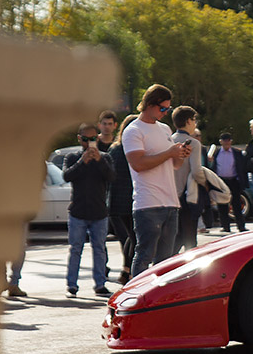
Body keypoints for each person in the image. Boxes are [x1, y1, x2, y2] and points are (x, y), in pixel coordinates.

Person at [124, 84, 189, 278]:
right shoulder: (133, 130)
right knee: (144, 256)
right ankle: (136, 299)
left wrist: (180, 154)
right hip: (148, 204)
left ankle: (159, 304)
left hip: (170, 201)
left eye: (167, 109)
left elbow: (175, 165)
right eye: (162, 109)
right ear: (149, 104)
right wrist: (169, 152)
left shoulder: (165, 129)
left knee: (167, 261)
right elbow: (138, 164)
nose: (165, 113)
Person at [61, 123, 114, 297]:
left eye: (92, 139)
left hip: (99, 213)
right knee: (76, 249)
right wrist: (82, 162)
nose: (89, 143)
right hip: (78, 212)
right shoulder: (72, 157)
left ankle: (100, 284)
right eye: (85, 139)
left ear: (97, 138)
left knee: (99, 248)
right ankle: (72, 284)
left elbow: (111, 177)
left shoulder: (105, 157)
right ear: (79, 139)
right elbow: (67, 176)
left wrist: (98, 160)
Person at [107, 114, 138, 284]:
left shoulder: (114, 148)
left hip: (115, 202)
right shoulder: (129, 148)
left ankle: (126, 271)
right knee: (135, 237)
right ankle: (128, 273)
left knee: (130, 237)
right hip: (129, 199)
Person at [170, 105, 204, 253]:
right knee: (190, 240)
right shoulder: (194, 143)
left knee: (174, 237)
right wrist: (206, 183)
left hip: (170, 195)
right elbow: (196, 171)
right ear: (189, 121)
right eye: (194, 120)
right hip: (187, 194)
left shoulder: (169, 140)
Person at [208, 132, 249, 233]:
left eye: (228, 141)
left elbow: (242, 168)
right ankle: (225, 226)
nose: (227, 143)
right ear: (221, 142)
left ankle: (241, 226)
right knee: (222, 205)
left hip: (233, 180)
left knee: (236, 204)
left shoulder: (237, 153)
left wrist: (243, 182)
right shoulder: (216, 153)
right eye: (224, 141)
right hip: (221, 181)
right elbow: (211, 167)